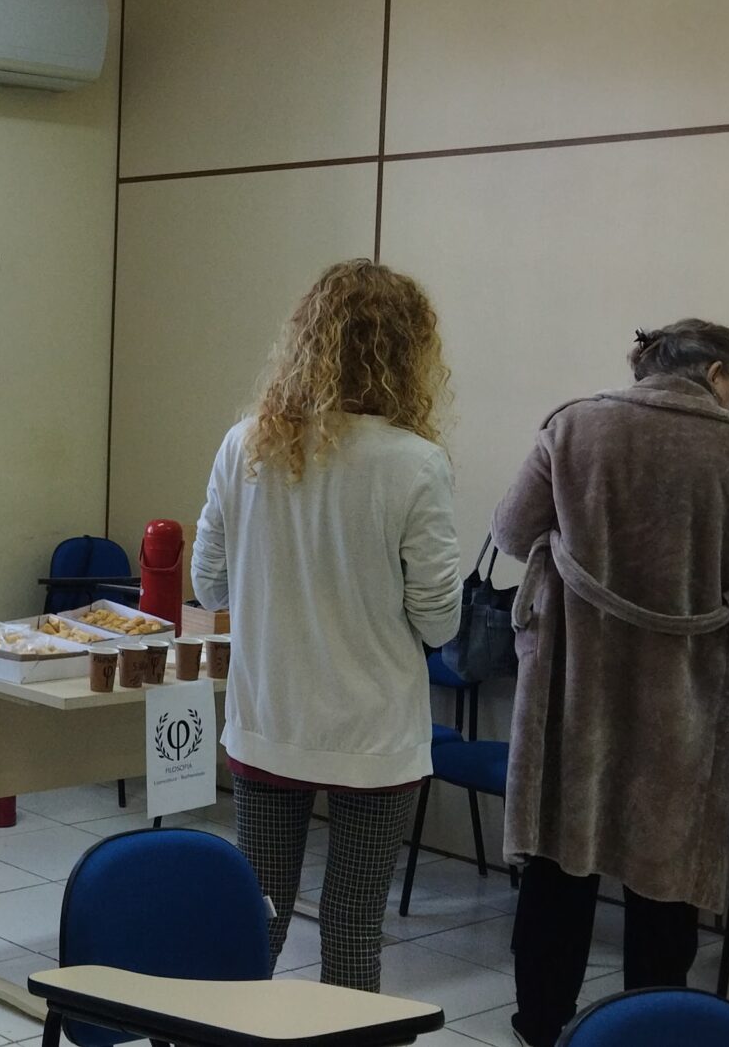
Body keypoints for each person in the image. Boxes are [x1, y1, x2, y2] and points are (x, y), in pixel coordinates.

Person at [492, 319, 729, 1046]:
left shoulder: (573, 427)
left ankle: (541, 1022)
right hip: (681, 694)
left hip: (573, 682)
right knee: (666, 871)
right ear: (716, 374)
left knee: (560, 856)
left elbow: (510, 532)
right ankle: (651, 1029)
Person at [191, 258, 461, 992]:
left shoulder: (246, 443)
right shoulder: (416, 463)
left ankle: (237, 1034)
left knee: (257, 922)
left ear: (305, 340)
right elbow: (439, 623)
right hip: (375, 740)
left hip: (269, 720)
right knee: (352, 928)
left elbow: (208, 585)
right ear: (408, 354)